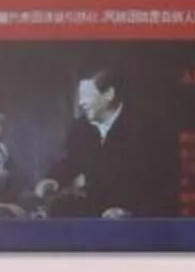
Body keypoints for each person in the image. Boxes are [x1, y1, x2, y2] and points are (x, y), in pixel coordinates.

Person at [47, 66, 173, 217]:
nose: (81, 102)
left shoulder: (146, 130)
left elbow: (161, 185)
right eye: (79, 96)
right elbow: (70, 162)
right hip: (92, 220)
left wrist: (130, 213)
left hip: (137, 224)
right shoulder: (80, 128)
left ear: (109, 94)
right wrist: (53, 180)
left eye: (87, 95)